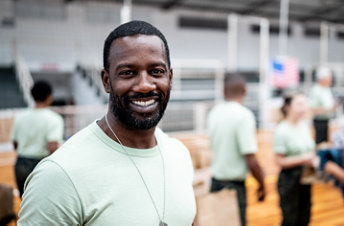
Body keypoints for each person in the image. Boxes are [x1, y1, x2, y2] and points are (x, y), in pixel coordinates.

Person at [18, 21, 196, 225]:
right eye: (128, 72)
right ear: (106, 81)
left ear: (170, 78)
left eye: (156, 71)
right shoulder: (59, 176)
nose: (145, 85)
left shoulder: (179, 155)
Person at [207, 73, 266, 226]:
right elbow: (250, 157)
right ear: (245, 90)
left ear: (223, 90)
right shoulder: (244, 115)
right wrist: (262, 184)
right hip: (233, 188)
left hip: (215, 183)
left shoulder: (214, 113)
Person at [10, 80, 64, 197]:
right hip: (40, 164)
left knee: (24, 203)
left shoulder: (20, 116)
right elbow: (52, 147)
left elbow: (15, 144)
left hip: (21, 164)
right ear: (49, 96)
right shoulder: (54, 119)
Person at [273, 93, 316, 226]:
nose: (303, 108)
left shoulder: (304, 126)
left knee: (305, 216)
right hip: (289, 180)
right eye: (299, 104)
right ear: (288, 107)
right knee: (290, 219)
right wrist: (302, 159)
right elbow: (278, 161)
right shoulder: (282, 130)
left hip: (306, 177)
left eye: (305, 104)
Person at [309, 67, 336, 144]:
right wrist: (328, 109)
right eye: (329, 77)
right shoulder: (316, 90)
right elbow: (312, 109)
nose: (331, 79)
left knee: (325, 142)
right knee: (320, 143)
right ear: (322, 78)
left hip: (326, 120)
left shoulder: (327, 89)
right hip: (319, 121)